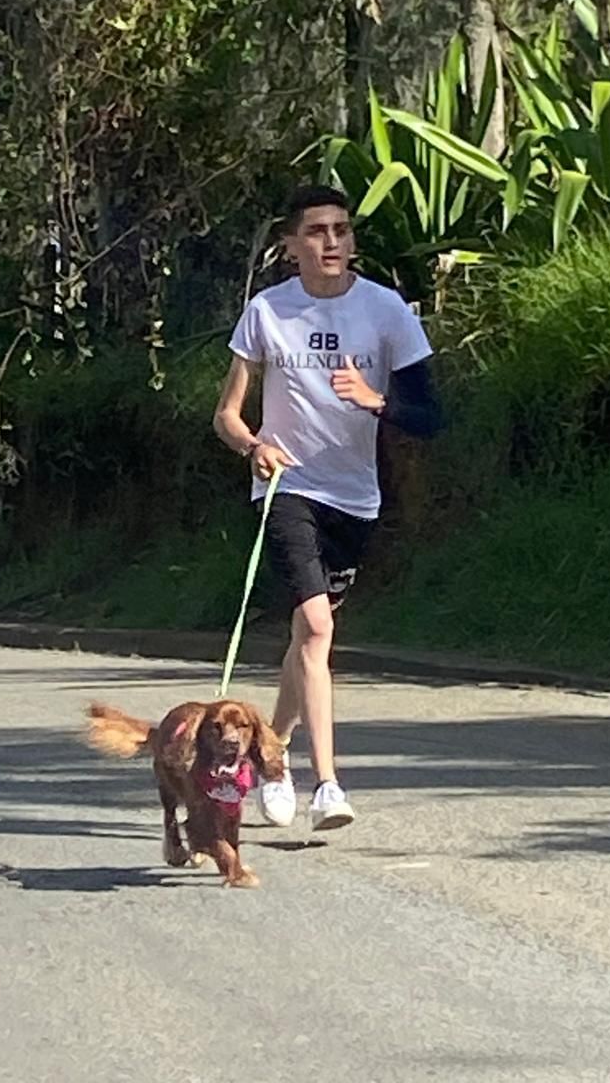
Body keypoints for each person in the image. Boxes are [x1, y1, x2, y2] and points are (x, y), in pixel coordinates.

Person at [213, 185, 442, 832]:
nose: (332, 242)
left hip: (355, 500)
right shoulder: (266, 312)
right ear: (291, 246)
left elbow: (431, 416)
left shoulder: (386, 311)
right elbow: (226, 415)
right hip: (286, 488)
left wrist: (376, 400)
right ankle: (327, 785)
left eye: (341, 229)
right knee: (316, 631)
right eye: (316, 231)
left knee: (304, 641)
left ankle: (270, 753)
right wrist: (253, 445)